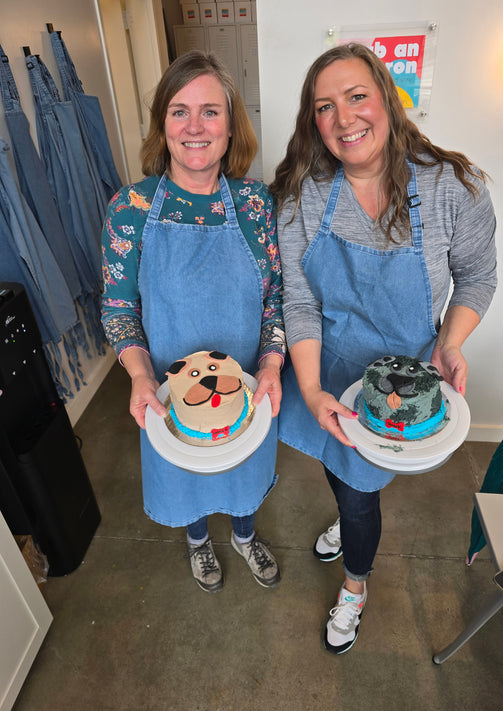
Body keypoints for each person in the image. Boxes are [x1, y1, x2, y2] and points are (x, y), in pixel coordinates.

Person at [270, 43, 497, 653]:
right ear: (312, 122)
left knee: (360, 494)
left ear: (389, 99)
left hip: (398, 382)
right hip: (327, 363)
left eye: (356, 96)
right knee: (340, 472)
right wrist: (313, 390)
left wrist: (449, 342)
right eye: (325, 107)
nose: (343, 119)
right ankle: (346, 522)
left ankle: (355, 586)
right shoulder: (302, 196)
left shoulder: (453, 187)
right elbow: (300, 303)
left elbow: (477, 276)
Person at [101, 50, 286, 593]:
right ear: (163, 124)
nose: (195, 126)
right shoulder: (131, 207)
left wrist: (272, 365)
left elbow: (276, 300)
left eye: (211, 111)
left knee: (244, 472)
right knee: (188, 475)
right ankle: (199, 540)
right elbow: (118, 308)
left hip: (249, 390)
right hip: (170, 395)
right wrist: (139, 376)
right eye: (180, 111)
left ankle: (246, 535)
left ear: (231, 127)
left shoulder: (256, 205)